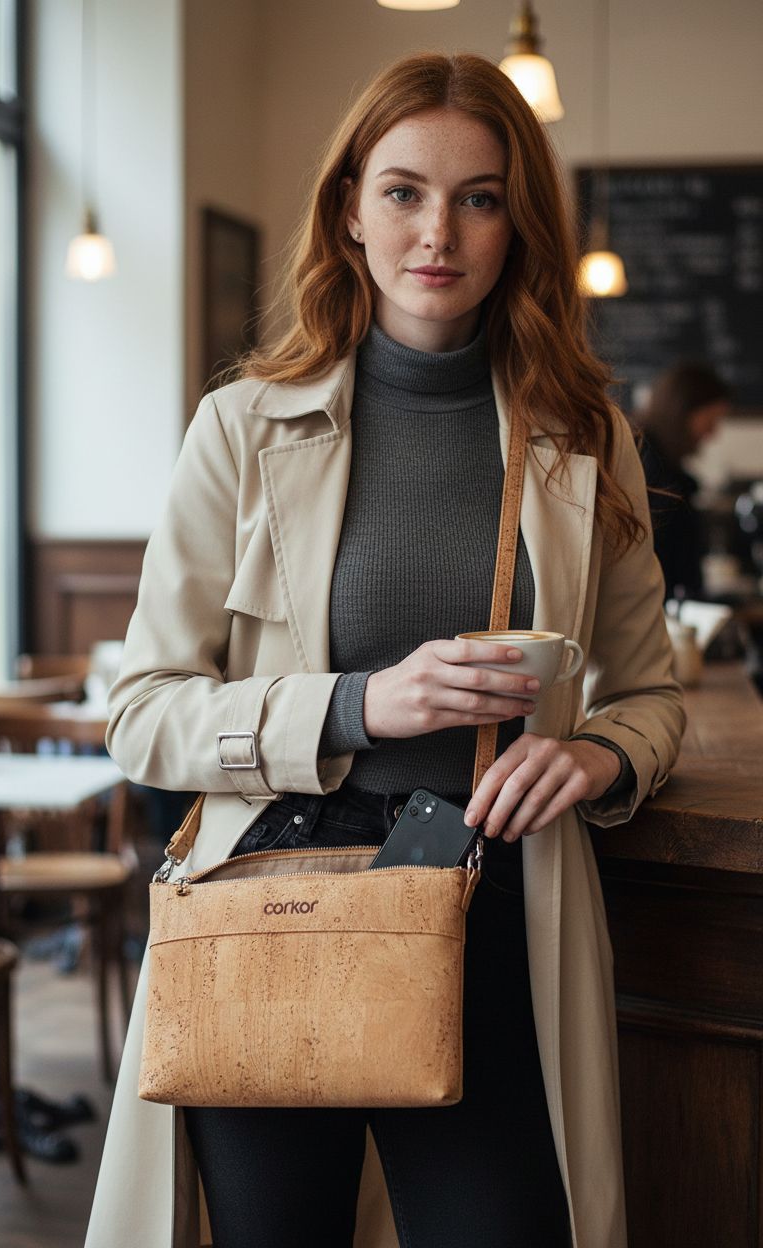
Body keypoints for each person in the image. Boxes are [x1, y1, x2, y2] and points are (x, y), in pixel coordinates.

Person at [85, 52, 684, 1248]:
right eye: (404, 191)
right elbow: (142, 711)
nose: (438, 233)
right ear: (350, 208)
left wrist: (603, 759)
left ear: (519, 224)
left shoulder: (582, 438)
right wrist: (360, 703)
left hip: (492, 906)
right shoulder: (242, 426)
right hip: (272, 908)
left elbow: (651, 692)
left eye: (479, 196)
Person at [636, 362, 732, 601]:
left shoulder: (655, 460)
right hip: (657, 606)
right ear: (683, 412)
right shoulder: (655, 471)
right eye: (711, 420)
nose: (713, 433)